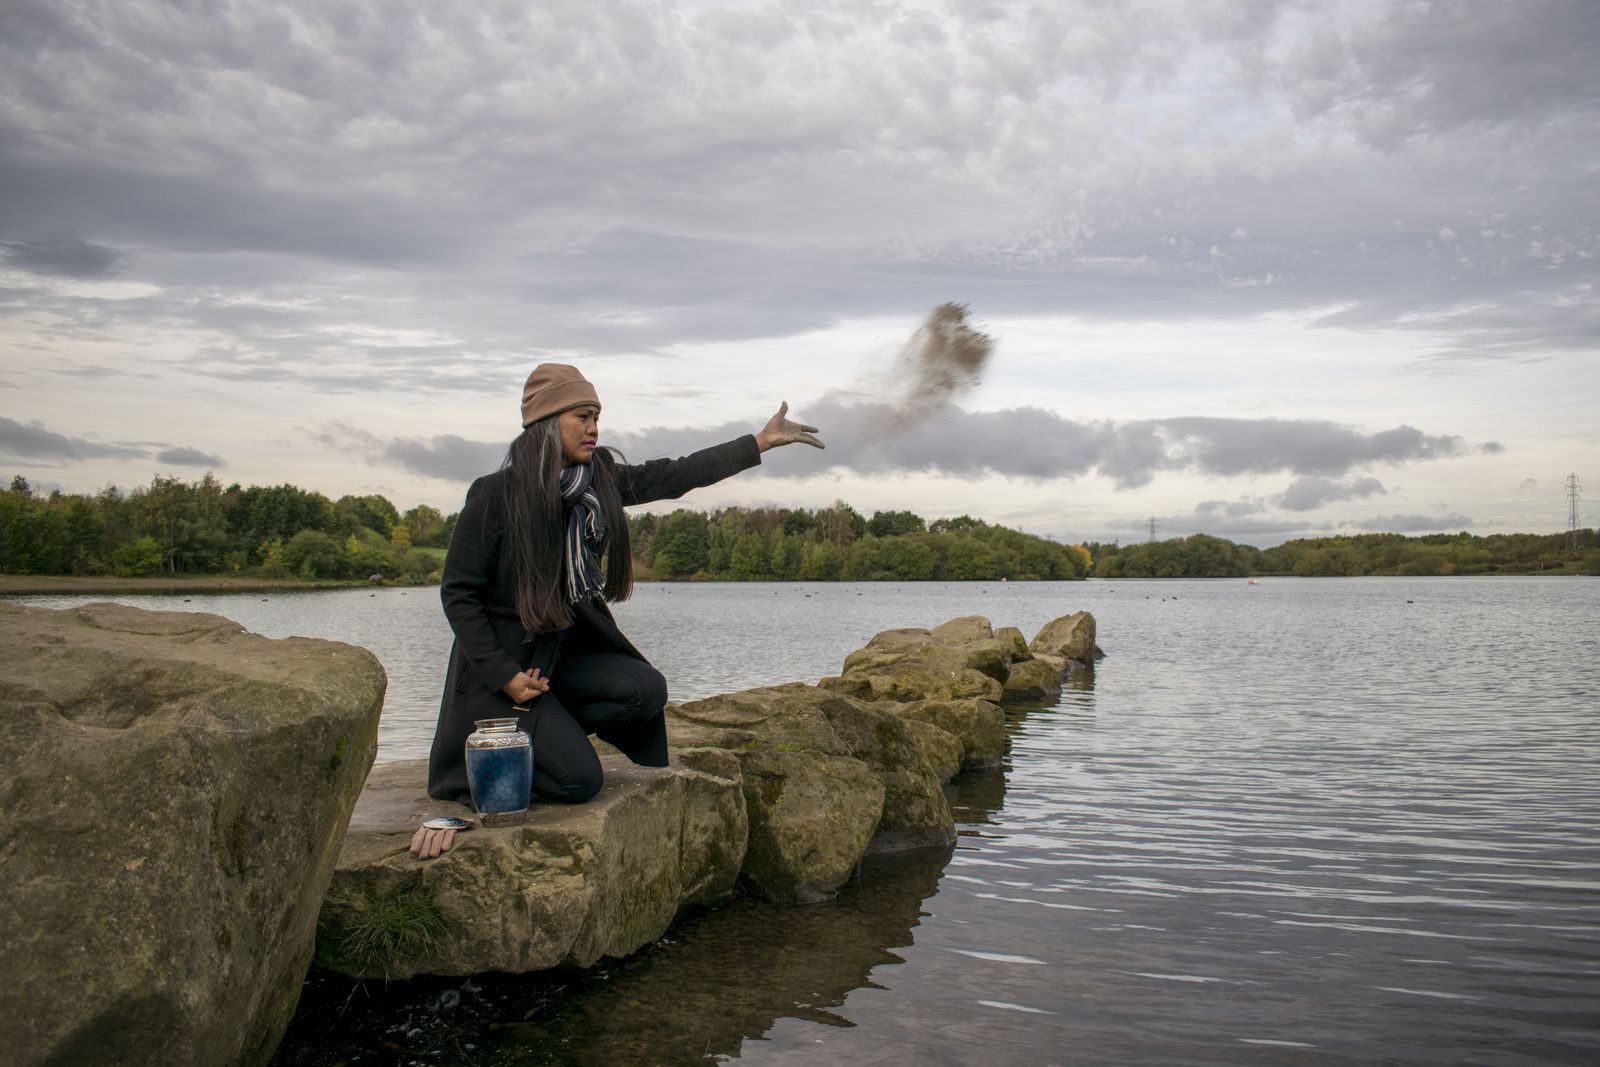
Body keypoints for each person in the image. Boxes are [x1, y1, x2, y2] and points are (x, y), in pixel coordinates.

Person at [411, 363, 822, 857]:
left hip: (559, 662)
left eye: (597, 417)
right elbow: (459, 594)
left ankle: (546, 728)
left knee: (645, 689)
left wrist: (758, 442)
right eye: (582, 416)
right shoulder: (494, 495)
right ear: (546, 422)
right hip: (504, 675)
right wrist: (504, 675)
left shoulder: (596, 482)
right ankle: (496, 758)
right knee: (580, 782)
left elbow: (673, 475)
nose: (594, 428)